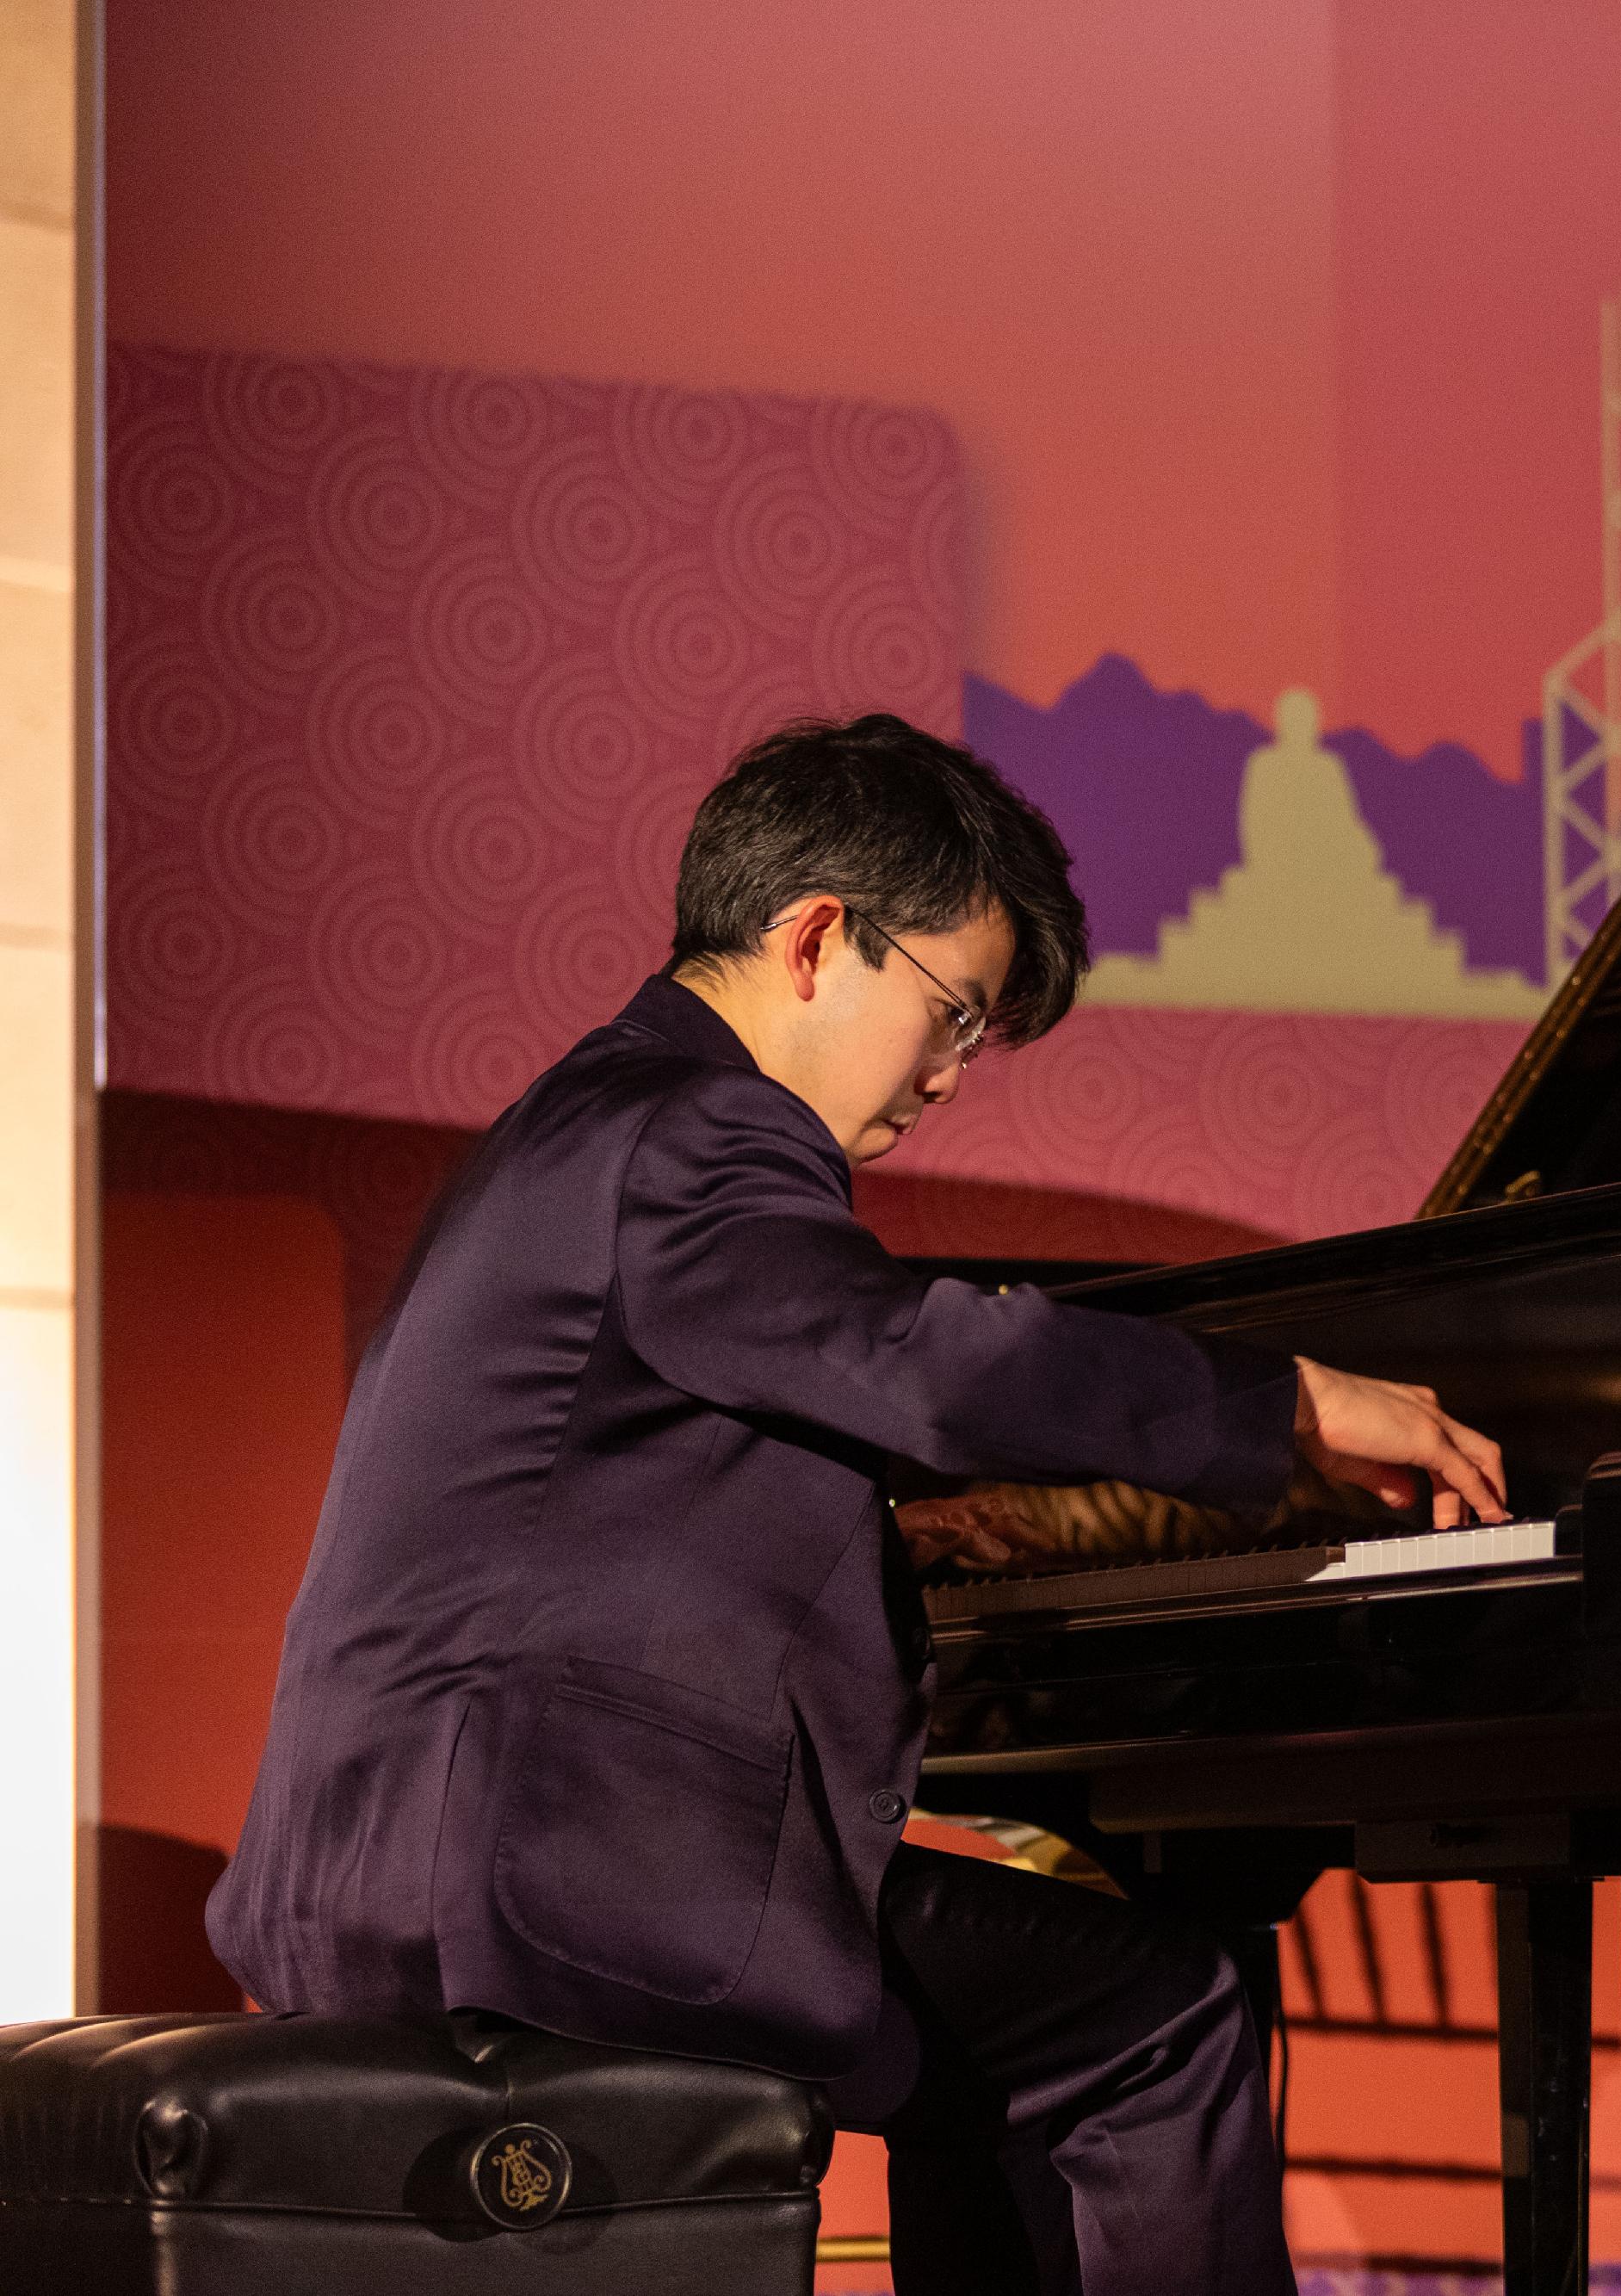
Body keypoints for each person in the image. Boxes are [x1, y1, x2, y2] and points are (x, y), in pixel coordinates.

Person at [207, 714, 1505, 2295]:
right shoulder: (699, 1131)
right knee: (1157, 2018)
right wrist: (1285, 1409)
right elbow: (915, 1363)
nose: (953, 1077)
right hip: (561, 1884)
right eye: (954, 1015)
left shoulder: (578, 1125)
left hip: (406, 1869)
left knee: (1021, 2036)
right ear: (818, 936)